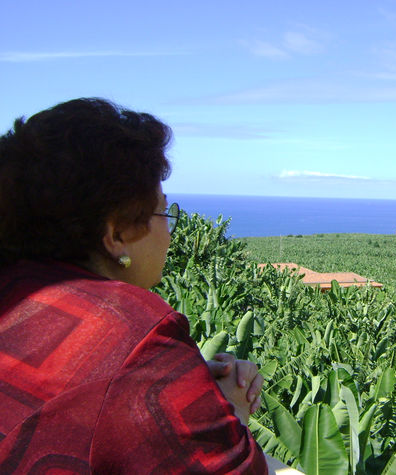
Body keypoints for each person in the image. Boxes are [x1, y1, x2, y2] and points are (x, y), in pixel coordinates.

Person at [0, 98, 270, 473]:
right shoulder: (135, 330)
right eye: (163, 212)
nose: (170, 232)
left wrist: (183, 384)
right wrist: (232, 412)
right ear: (117, 235)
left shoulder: (14, 291)